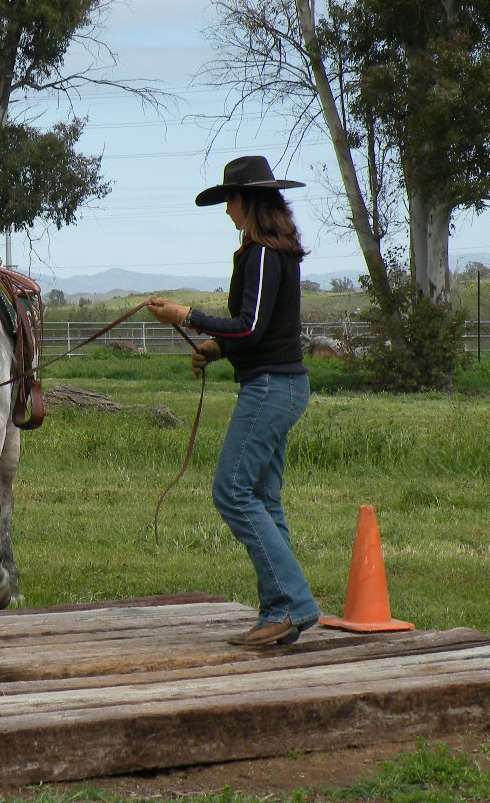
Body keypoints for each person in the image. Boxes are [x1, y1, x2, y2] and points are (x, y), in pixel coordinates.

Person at [146, 155, 321, 647]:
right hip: (281, 384)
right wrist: (217, 347)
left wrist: (188, 315)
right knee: (262, 498)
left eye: (229, 201)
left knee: (232, 492)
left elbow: (250, 325)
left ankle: (294, 604)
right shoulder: (273, 251)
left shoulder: (262, 254)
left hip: (270, 388)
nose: (226, 211)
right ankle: (279, 612)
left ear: (245, 201)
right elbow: (258, 329)